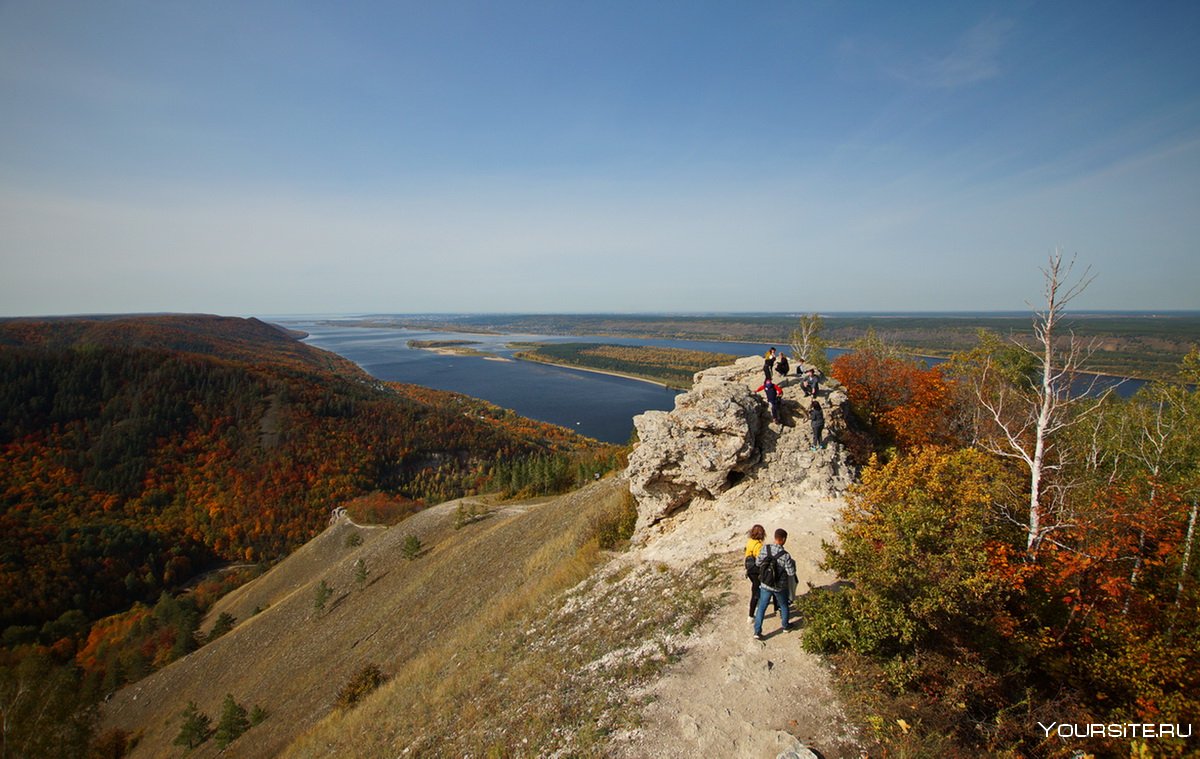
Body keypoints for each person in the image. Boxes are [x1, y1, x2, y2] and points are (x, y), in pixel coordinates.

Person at [754, 528, 796, 640]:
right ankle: (786, 626)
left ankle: (757, 632)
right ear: (783, 539)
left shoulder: (765, 548)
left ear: (775, 537)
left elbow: (758, 563)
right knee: (784, 605)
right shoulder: (785, 555)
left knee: (762, 607)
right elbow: (791, 572)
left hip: (765, 584)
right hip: (779, 586)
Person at [744, 524, 778, 620]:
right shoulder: (758, 546)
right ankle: (751, 615)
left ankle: (753, 605)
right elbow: (760, 560)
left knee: (755, 588)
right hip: (756, 571)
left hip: (749, 569)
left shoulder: (750, 541)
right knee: (757, 592)